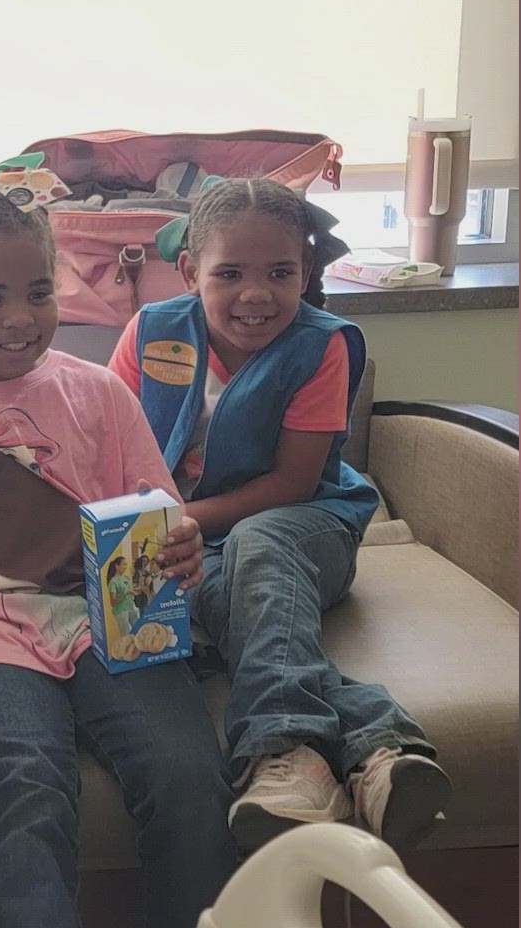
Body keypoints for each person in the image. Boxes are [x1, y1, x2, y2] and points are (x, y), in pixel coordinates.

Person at [0, 191, 239, 928]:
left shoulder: (99, 392)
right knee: (25, 785)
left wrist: (182, 546)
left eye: (36, 292)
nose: (19, 318)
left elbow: (158, 521)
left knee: (187, 774)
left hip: (112, 616)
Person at [110, 176, 452, 852]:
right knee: (232, 603)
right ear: (188, 271)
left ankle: (283, 752)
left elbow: (294, 483)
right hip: (200, 544)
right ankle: (379, 746)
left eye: (280, 272)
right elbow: (114, 450)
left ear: (307, 272)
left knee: (260, 545)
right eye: (229, 272)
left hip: (306, 525)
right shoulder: (151, 332)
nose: (256, 294)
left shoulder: (322, 345)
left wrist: (181, 519)